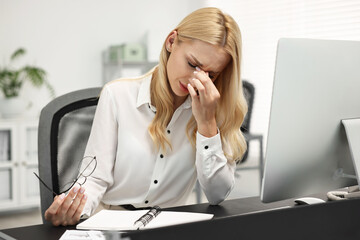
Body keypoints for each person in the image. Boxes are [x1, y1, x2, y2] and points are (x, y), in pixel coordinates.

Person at [45, 7, 248, 226]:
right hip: (110, 223)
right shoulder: (117, 95)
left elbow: (217, 195)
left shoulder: (212, 108)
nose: (195, 79)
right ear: (171, 41)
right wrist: (73, 206)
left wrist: (207, 124)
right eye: (192, 64)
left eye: (210, 74)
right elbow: (95, 178)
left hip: (169, 226)